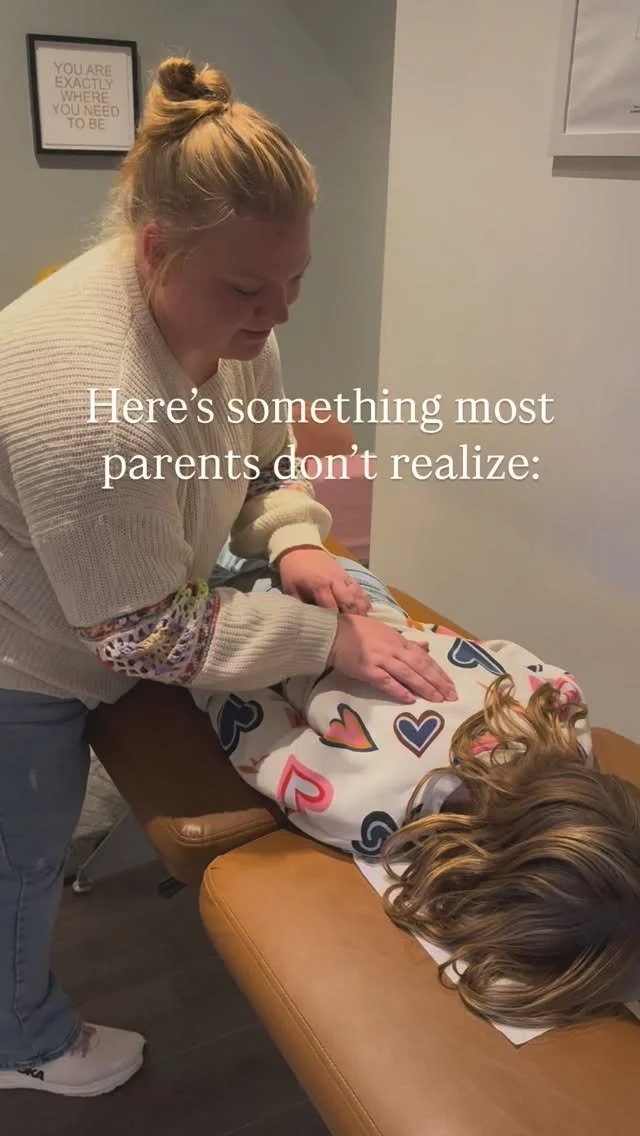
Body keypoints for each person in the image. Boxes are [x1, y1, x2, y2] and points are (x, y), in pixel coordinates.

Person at [0, 57, 458, 1096]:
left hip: (109, 598)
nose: (277, 314)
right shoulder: (93, 399)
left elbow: (263, 458)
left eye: (294, 282)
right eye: (250, 290)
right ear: (153, 248)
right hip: (20, 645)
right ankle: (20, 1039)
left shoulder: (235, 317)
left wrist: (297, 541)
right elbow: (141, 636)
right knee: (19, 856)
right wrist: (328, 637)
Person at [196, 556, 640, 1031]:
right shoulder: (364, 805)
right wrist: (203, 678)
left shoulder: (560, 705)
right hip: (258, 625)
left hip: (355, 593)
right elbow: (251, 722)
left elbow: (485, 651)